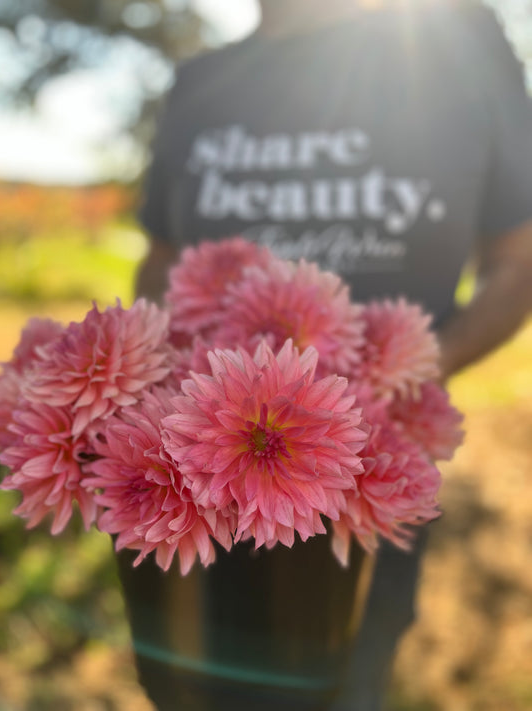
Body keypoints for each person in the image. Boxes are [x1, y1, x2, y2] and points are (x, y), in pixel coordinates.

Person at [134, 0, 532, 709]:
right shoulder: (200, 83)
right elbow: (161, 259)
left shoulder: (453, 42)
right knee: (186, 681)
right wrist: (150, 384)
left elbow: (519, 256)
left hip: (362, 474)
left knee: (343, 678)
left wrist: (400, 375)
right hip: (192, 467)